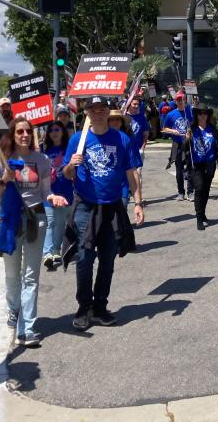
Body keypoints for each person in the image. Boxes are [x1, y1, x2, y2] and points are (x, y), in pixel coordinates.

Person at [62, 96, 144, 330]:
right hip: (86, 205)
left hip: (112, 206)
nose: (97, 113)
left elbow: (132, 174)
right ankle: (83, 307)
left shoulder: (122, 139)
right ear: (86, 113)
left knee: (107, 259)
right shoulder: (78, 140)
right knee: (85, 258)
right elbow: (66, 174)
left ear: (108, 112)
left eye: (101, 109)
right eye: (92, 109)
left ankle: (100, 307)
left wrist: (137, 203)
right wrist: (72, 164)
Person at [0, 117, 65, 348]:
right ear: (12, 134)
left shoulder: (40, 160)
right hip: (10, 221)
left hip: (35, 220)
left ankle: (27, 327)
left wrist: (52, 197)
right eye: (20, 131)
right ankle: (13, 309)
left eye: (28, 132)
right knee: (12, 276)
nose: (24, 135)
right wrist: (4, 179)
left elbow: (44, 192)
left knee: (31, 276)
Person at [187, 103, 218, 230]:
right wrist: (187, 139)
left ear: (208, 115)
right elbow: (184, 148)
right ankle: (198, 217)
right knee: (199, 188)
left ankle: (202, 213)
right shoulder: (192, 129)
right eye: (200, 113)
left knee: (206, 190)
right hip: (196, 165)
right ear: (196, 115)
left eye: (205, 113)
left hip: (210, 164)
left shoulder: (212, 129)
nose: (203, 116)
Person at [40, 122, 72, 271]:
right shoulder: (44, 150)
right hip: (49, 192)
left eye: (57, 129)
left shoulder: (69, 149)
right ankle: (47, 253)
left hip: (66, 191)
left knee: (60, 223)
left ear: (63, 131)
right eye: (51, 130)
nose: (54, 132)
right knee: (51, 222)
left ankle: (56, 251)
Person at [162, 92, 193, 201]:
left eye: (182, 100)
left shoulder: (190, 112)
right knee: (179, 170)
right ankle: (181, 192)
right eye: (178, 100)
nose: (180, 102)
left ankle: (190, 192)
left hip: (189, 143)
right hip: (177, 144)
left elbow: (196, 125)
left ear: (185, 100)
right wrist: (172, 131)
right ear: (175, 101)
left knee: (190, 168)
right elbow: (164, 128)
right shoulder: (171, 114)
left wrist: (191, 132)